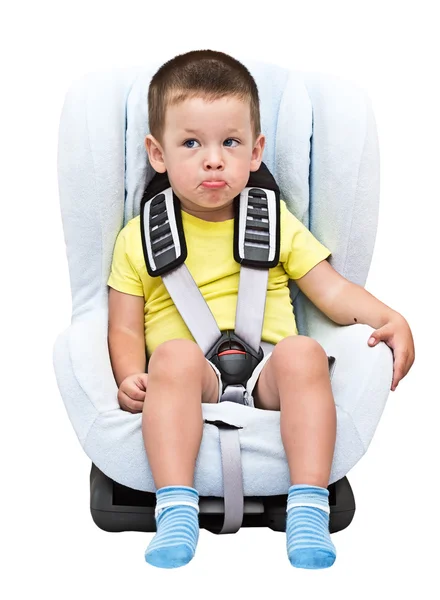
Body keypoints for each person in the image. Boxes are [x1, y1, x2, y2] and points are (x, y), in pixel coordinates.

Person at [107, 49, 415, 570]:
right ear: (157, 155)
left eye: (230, 143)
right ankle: (176, 507)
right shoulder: (138, 238)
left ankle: (310, 506)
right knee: (175, 358)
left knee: (303, 352)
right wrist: (129, 373)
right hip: (187, 379)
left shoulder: (275, 222)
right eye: (191, 144)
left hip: (268, 371)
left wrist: (389, 316)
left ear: (256, 152)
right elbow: (122, 323)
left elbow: (332, 291)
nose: (213, 159)